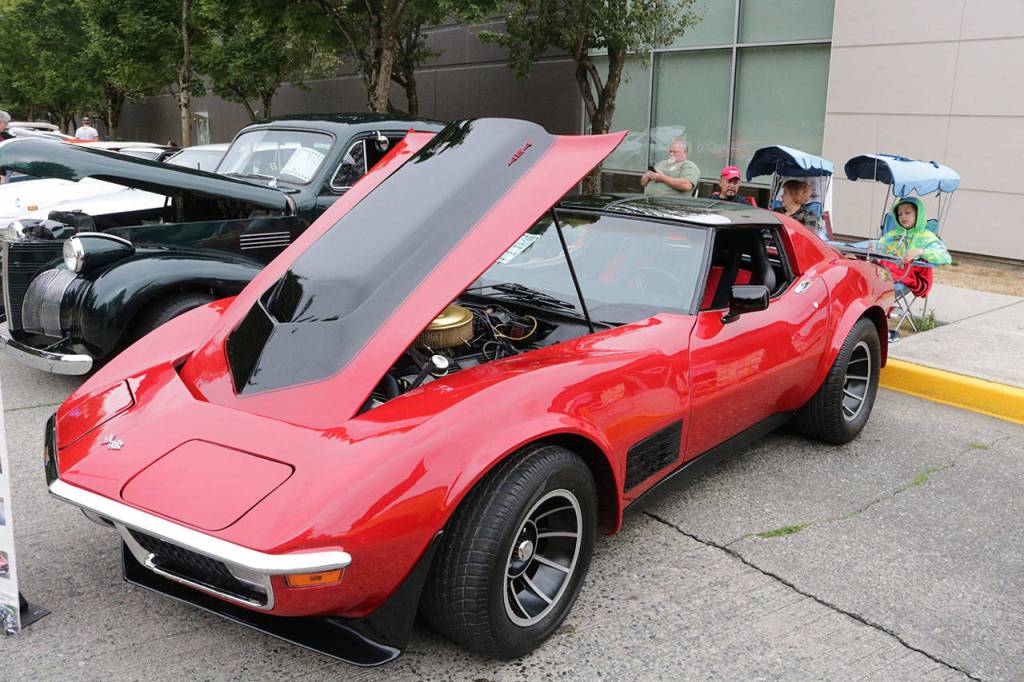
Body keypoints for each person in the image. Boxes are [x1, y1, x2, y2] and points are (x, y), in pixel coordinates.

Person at [875, 196, 951, 297]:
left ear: (918, 214)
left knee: (872, 281)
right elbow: (878, 247)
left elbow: (945, 257)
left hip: (906, 274)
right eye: (899, 214)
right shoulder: (892, 234)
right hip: (885, 270)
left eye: (907, 213)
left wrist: (921, 251)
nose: (903, 217)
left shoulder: (925, 236)